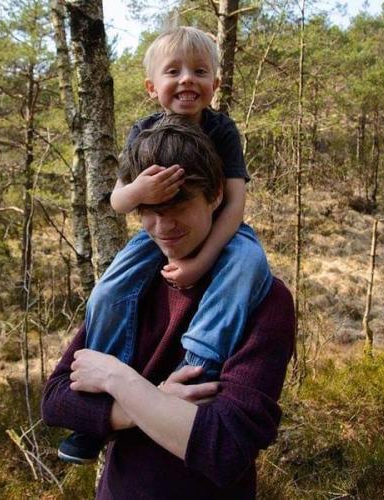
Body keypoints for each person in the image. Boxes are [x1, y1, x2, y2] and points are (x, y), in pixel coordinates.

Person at [41, 119, 295, 499]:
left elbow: (224, 448)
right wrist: (154, 399)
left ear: (214, 197)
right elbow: (57, 400)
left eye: (178, 204)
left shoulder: (263, 300)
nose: (162, 225)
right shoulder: (131, 289)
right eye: (148, 209)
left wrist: (117, 381)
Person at [59, 26, 273, 463]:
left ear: (215, 83)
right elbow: (118, 202)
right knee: (108, 291)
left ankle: (194, 370)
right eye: (173, 71)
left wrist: (205, 260)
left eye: (199, 70)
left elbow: (233, 205)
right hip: (153, 237)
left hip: (219, 231)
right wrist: (139, 191)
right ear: (151, 87)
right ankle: (95, 404)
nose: (187, 79)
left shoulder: (222, 130)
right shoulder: (144, 131)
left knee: (249, 265)